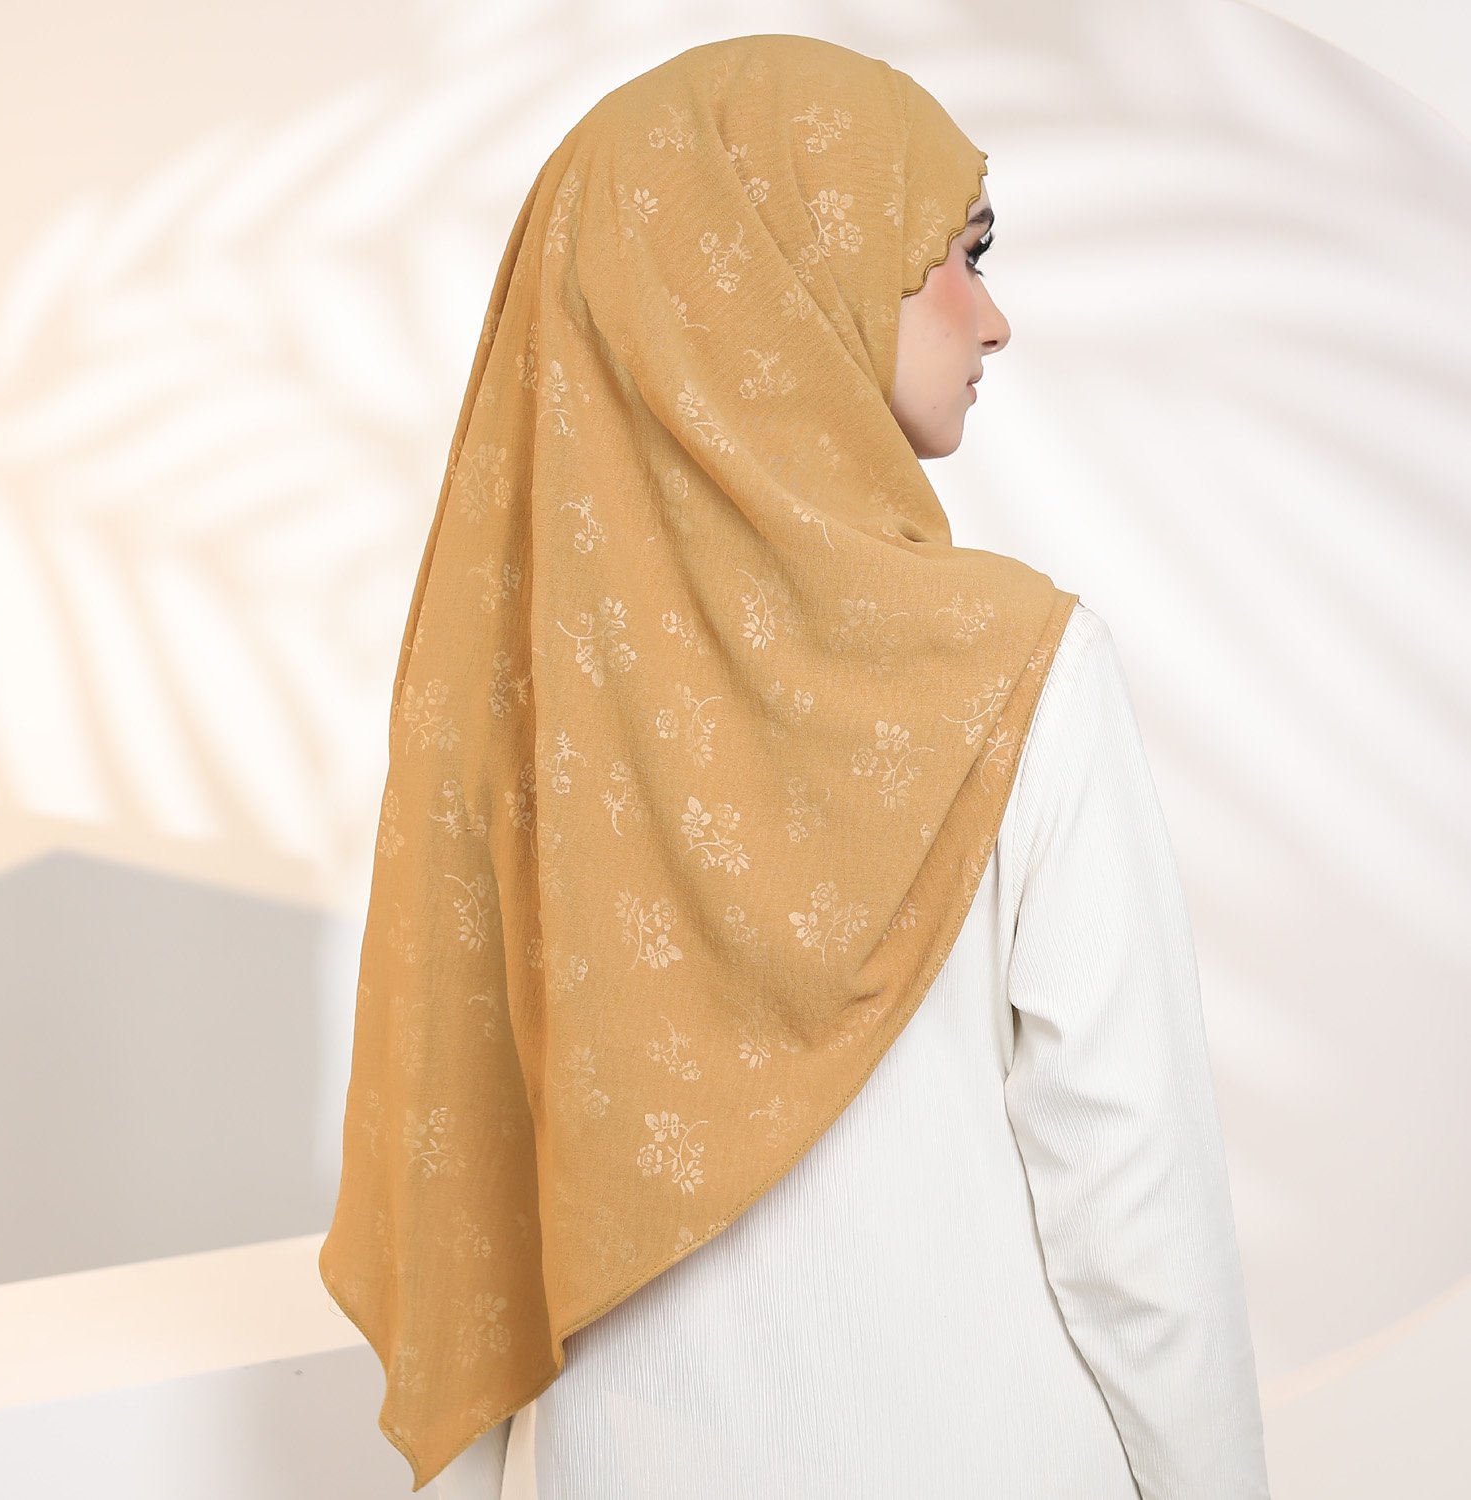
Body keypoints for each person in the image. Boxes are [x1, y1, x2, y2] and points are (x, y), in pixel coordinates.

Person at [320, 34, 1273, 1500]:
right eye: (961, 250)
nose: (994, 318)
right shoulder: (1023, 671)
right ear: (785, 262)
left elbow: (466, 1187)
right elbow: (1130, 1194)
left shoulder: (521, 709)